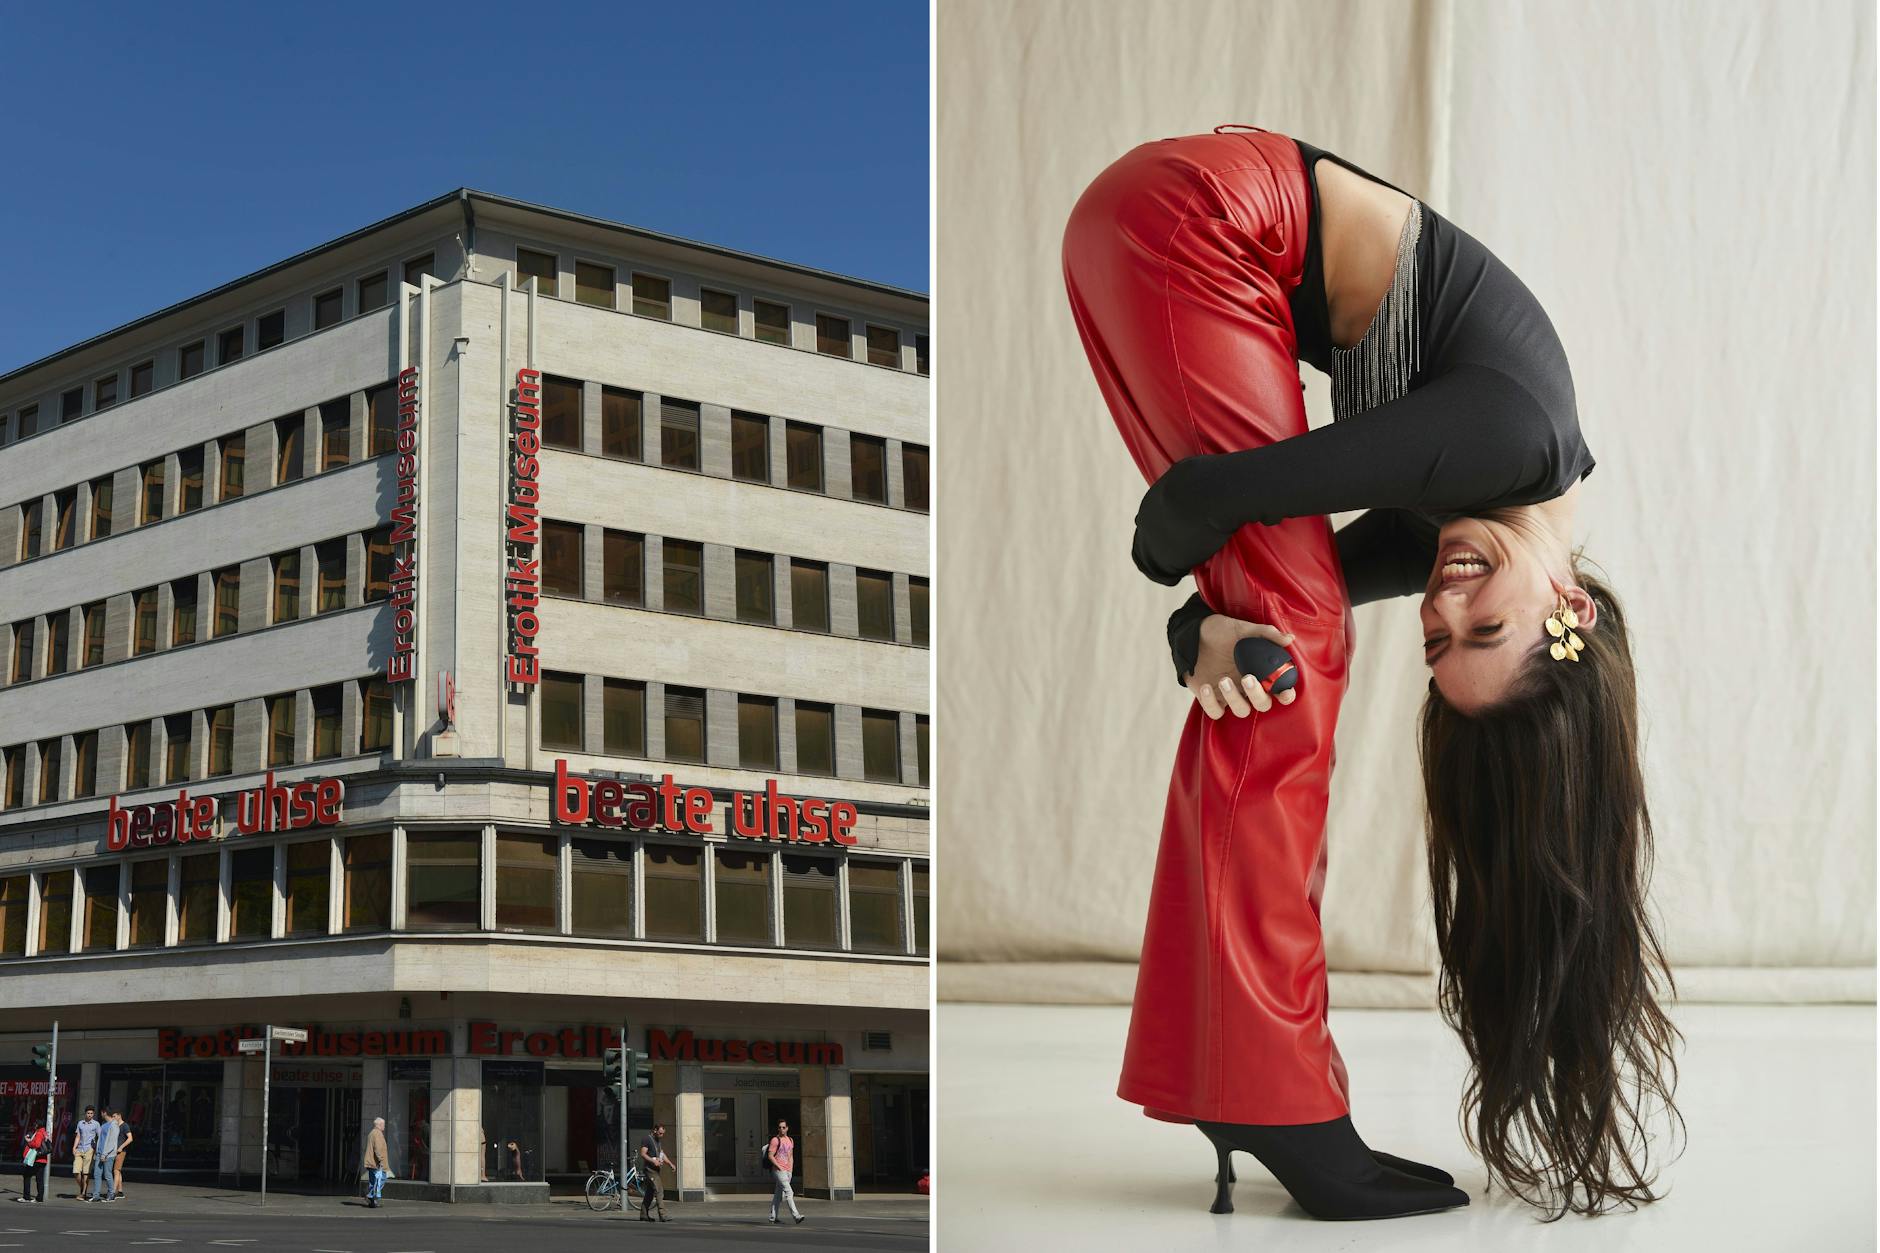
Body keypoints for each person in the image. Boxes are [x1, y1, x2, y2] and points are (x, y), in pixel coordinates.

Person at [1063, 124, 1679, 1221]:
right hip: (1201, 222)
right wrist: (1186, 542)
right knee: (1299, 639)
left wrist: (1203, 631)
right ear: (1569, 608)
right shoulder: (1516, 434)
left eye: (1438, 643)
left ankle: (1218, 1064)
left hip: (1171, 225)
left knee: (1280, 642)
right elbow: (1217, 498)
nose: (1440, 606)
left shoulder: (1449, 513)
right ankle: (1273, 1088)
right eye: (1483, 629)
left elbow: (1236, 600)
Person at [765, 1119, 804, 1226]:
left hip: (787, 1170)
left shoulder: (790, 1140)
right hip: (778, 1170)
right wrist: (779, 1167)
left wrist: (790, 1170)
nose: (781, 1129)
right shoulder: (775, 1140)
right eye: (779, 1127)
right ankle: (796, 1216)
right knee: (789, 1192)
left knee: (778, 1194)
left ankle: (773, 1217)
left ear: (787, 1128)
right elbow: (770, 1156)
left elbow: (790, 1156)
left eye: (783, 1127)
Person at [637, 1123, 673, 1223]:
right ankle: (663, 1215)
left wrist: (670, 1163)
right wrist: (653, 1161)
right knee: (659, 1190)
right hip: (650, 1170)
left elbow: (662, 1154)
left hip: (656, 1170)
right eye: (660, 1133)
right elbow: (643, 1154)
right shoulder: (647, 1139)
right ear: (655, 1130)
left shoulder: (658, 1141)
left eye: (663, 1134)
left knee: (649, 1193)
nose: (662, 1135)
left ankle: (643, 1215)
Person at [88, 1109, 119, 1203]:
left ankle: (111, 1194)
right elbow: (101, 1139)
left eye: (101, 1113)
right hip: (99, 1153)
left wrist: (105, 1154)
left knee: (107, 1174)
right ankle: (96, 1195)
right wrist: (97, 1152)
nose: (101, 1114)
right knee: (97, 1174)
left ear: (104, 1113)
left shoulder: (114, 1125)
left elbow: (112, 1141)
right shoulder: (103, 1125)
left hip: (108, 1155)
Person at [71, 1107, 99, 1202]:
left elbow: (99, 1137)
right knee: (76, 1171)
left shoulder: (96, 1124)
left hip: (89, 1149)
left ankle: (83, 1193)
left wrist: (97, 1149)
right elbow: (78, 1136)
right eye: (88, 1113)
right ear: (85, 1113)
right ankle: (83, 1187)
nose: (90, 1115)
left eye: (91, 1113)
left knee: (86, 1172)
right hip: (80, 1148)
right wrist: (74, 1147)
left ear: (93, 1114)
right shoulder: (80, 1123)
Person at [14, 1124, 47, 1203]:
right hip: (42, 1159)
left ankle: (26, 1197)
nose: (34, 1125)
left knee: (27, 1176)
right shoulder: (44, 1132)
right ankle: (39, 1198)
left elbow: (37, 1144)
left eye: (35, 1124)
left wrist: (29, 1141)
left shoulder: (39, 1133)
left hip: (36, 1159)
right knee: (39, 1179)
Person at [362, 1117, 389, 1208]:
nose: (384, 1126)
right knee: (380, 1179)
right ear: (379, 1125)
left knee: (373, 1182)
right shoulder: (377, 1134)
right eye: (383, 1124)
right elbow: (378, 1148)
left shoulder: (372, 1133)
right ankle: (370, 1196)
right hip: (376, 1163)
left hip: (372, 1163)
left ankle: (372, 1201)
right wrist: (381, 1160)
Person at [111, 1114, 133, 1199]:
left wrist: (121, 1147)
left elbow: (130, 1138)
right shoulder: (115, 1125)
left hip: (120, 1151)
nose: (113, 1118)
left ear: (119, 1116)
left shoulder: (125, 1125)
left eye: (114, 1116)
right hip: (114, 1151)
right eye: (112, 1117)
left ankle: (112, 1192)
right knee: (118, 1171)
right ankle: (120, 1191)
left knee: (116, 1170)